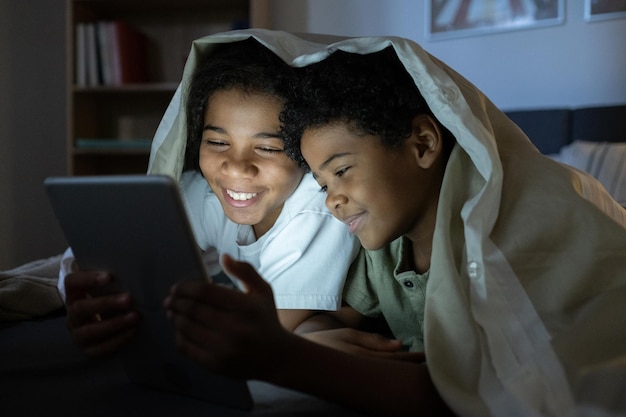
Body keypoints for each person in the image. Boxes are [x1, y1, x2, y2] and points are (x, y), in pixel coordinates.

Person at [164, 30, 626, 416]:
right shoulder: (382, 248)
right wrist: (309, 339)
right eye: (322, 185)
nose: (332, 201)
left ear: (423, 143)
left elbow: (484, 394)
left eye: (342, 172)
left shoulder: (519, 222)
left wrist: (287, 356)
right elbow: (338, 319)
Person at [58, 35, 359, 357]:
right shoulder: (200, 191)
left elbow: (271, 331)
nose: (237, 168)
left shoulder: (317, 206)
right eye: (217, 142)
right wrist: (86, 291)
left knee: (313, 333)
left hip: (313, 314)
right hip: (264, 313)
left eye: (268, 148)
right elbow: (101, 250)